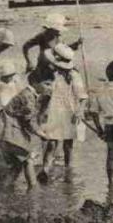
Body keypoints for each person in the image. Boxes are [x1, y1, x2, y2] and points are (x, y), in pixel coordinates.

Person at [38, 44, 88, 182]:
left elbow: (82, 97)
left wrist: (80, 111)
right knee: (52, 142)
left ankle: (68, 169)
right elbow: (45, 95)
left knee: (68, 144)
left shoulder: (74, 75)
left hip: (69, 112)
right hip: (55, 112)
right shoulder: (52, 75)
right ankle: (46, 169)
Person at [0, 73, 53, 189]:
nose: (50, 87)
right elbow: (29, 121)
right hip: (10, 130)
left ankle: (4, 188)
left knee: (17, 164)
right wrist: (42, 134)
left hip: (7, 129)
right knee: (27, 159)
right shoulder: (28, 96)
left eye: (51, 84)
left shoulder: (29, 94)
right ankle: (33, 188)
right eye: (46, 84)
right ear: (35, 83)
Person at [22, 13, 81, 80]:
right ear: (50, 28)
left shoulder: (58, 37)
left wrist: (76, 43)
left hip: (58, 64)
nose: (59, 31)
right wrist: (29, 62)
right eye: (57, 29)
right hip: (44, 66)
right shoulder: (42, 36)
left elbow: (63, 51)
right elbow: (25, 46)